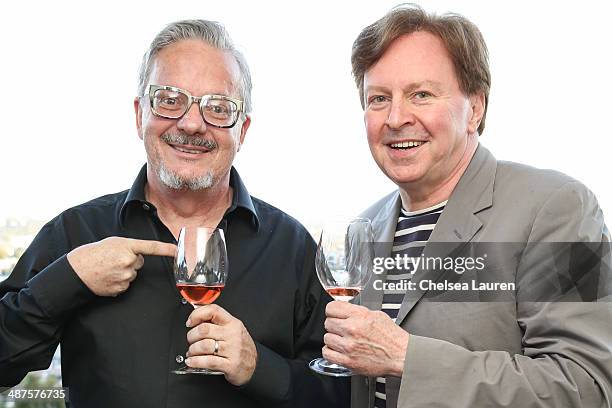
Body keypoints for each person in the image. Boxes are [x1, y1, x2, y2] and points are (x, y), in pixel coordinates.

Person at [0, 19, 348, 408]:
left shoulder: (294, 249)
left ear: (243, 130)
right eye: (169, 100)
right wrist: (67, 281)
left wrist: (260, 367)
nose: (191, 123)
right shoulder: (75, 232)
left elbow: (343, 393)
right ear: (139, 115)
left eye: (218, 108)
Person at [322, 4, 612, 408]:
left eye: (421, 94)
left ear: (475, 108)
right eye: (378, 98)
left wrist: (407, 357)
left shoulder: (562, 207)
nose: (395, 117)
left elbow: (586, 386)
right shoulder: (366, 227)